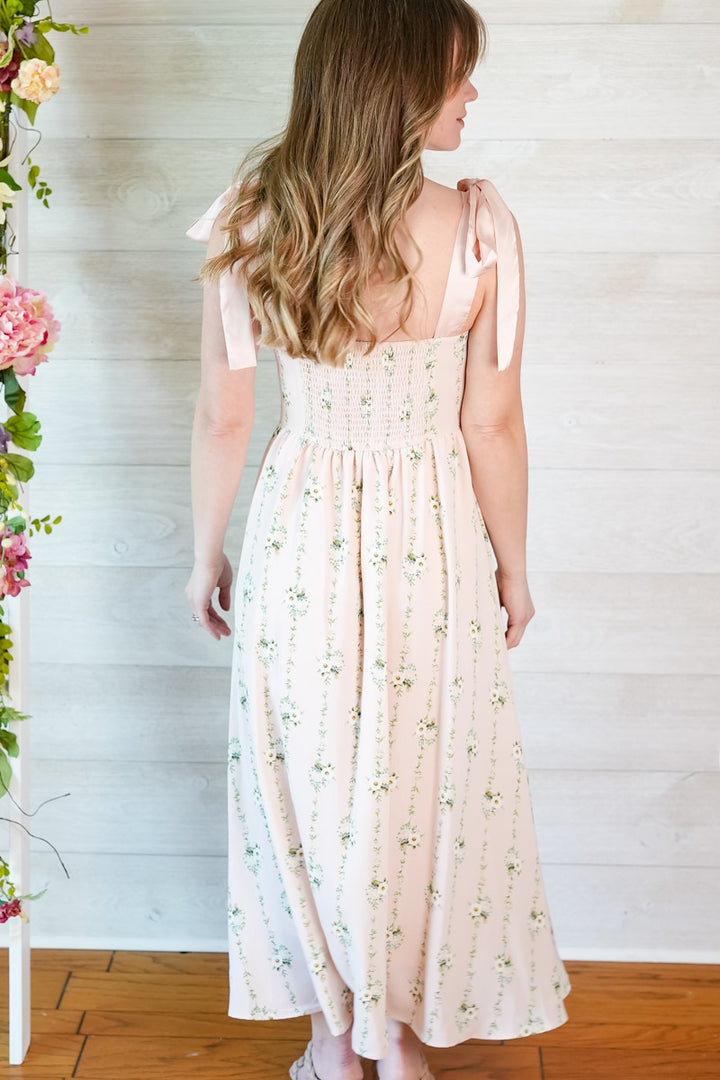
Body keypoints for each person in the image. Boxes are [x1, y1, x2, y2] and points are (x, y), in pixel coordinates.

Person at [184, 1, 572, 1078]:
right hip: (433, 532)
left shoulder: (252, 220)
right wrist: (515, 565)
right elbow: (489, 422)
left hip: (300, 527)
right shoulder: (483, 229)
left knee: (307, 778)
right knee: (418, 777)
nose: (471, 97)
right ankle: (394, 1036)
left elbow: (224, 416)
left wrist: (203, 554)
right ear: (397, 85)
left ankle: (333, 1043)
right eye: (458, 77)